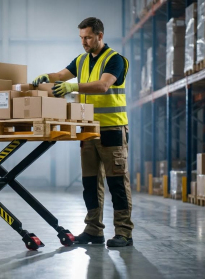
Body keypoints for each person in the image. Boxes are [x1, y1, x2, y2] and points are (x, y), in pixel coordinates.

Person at [32, 17, 133, 247]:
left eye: (88, 37)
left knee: (116, 183)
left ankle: (124, 233)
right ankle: (93, 230)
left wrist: (72, 86)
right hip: (88, 129)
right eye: (81, 38)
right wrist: (47, 77)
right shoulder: (81, 60)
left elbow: (103, 85)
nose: (84, 42)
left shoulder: (115, 60)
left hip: (112, 128)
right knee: (90, 183)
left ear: (100, 35)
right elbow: (61, 76)